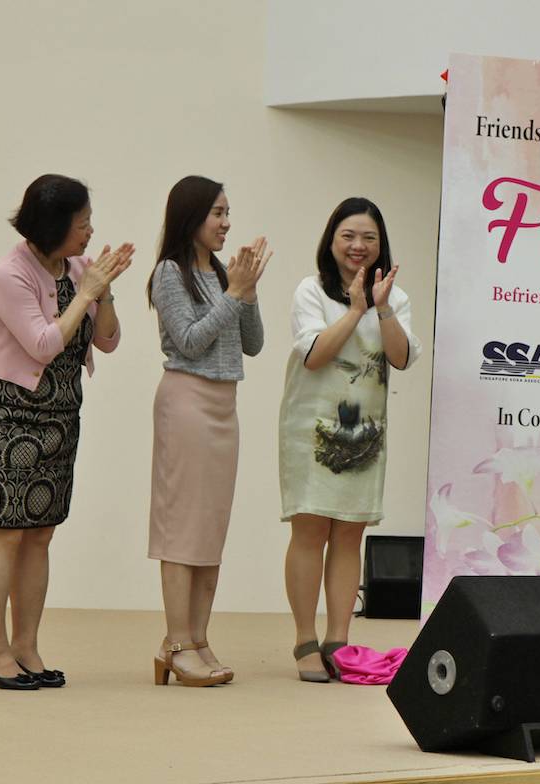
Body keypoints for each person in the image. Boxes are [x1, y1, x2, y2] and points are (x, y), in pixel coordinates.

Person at [0, 174, 133, 690]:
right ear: (54, 226)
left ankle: (26, 647)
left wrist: (104, 292)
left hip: (58, 416)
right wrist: (87, 293)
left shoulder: (79, 268)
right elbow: (41, 343)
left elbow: (108, 341)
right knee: (5, 534)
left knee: (40, 534)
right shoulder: (8, 274)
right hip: (6, 417)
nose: (90, 232)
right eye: (82, 224)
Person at [279, 197, 421, 682]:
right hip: (313, 429)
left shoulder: (393, 297)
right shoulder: (311, 290)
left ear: (381, 245)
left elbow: (401, 358)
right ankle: (305, 640)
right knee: (310, 530)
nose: (358, 245)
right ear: (332, 240)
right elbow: (315, 355)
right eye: (349, 236)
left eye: (369, 238)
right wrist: (355, 308)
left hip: (365, 433)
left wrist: (380, 308)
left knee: (349, 533)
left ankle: (338, 639)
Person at [147, 176, 270, 687]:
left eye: (227, 212)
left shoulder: (222, 273)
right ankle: (176, 643)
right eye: (217, 213)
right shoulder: (169, 273)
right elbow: (191, 341)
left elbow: (253, 344)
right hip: (187, 401)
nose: (226, 223)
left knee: (210, 529)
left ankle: (197, 638)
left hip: (224, 406)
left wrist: (248, 292)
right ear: (191, 216)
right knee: (182, 529)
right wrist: (234, 294)